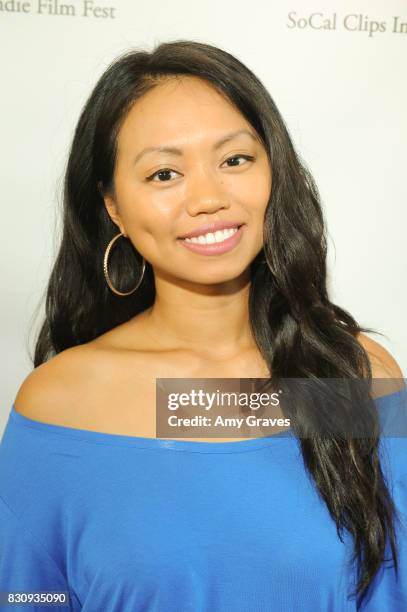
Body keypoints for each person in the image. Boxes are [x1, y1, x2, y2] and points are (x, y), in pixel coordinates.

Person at [0, 39, 406, 611]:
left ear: (274, 170)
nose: (209, 197)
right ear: (113, 205)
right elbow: (27, 596)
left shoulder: (356, 374)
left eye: (235, 160)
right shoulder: (60, 401)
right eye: (164, 173)